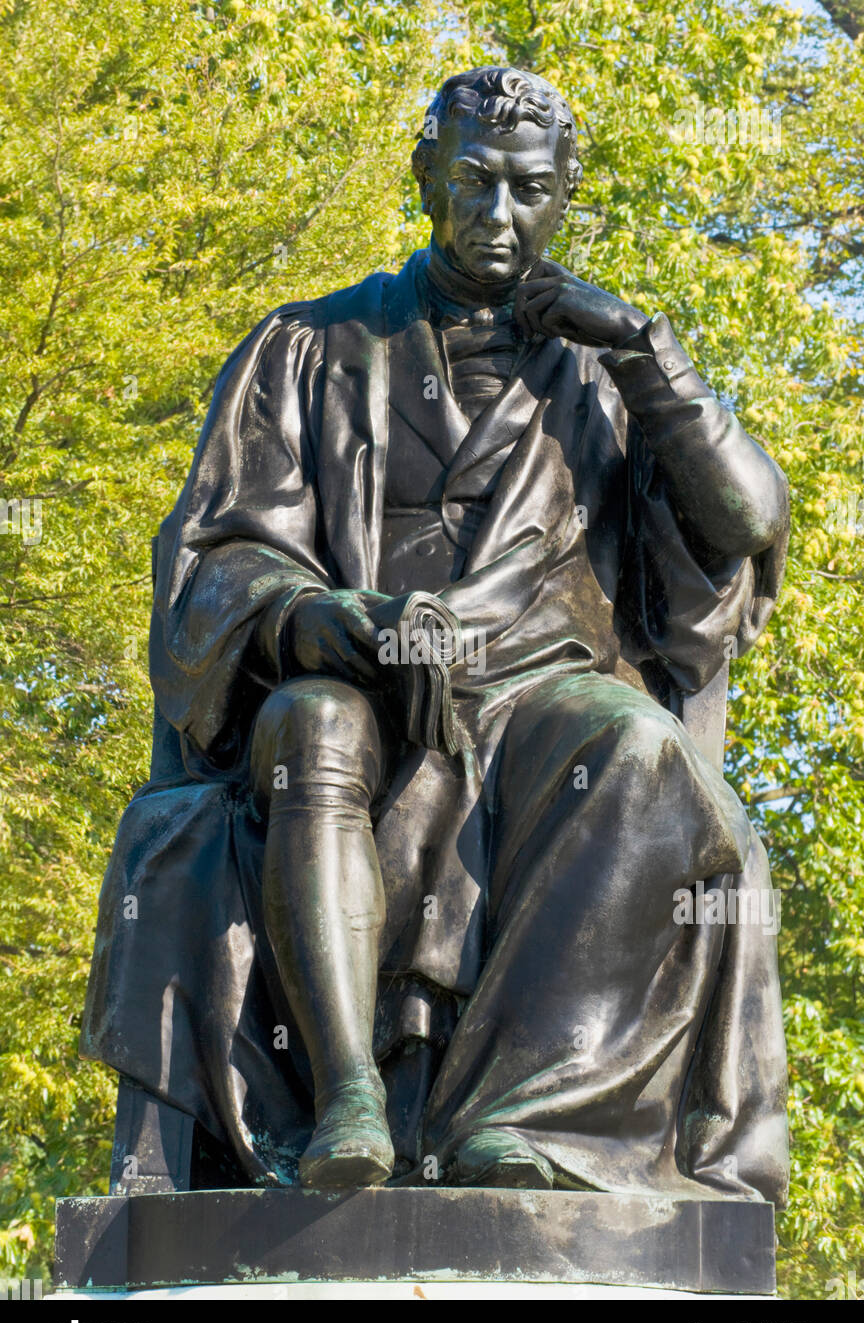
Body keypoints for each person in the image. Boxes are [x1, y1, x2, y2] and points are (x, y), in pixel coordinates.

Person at [82, 67, 790, 1204]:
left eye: (529, 190)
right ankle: (348, 1100)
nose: (499, 217)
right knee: (314, 724)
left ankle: (525, 1116)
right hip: (352, 675)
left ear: (564, 198)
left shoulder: (610, 377)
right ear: (423, 177)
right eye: (472, 182)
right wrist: (326, 621)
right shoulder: (307, 347)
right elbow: (214, 557)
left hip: (539, 690)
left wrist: (648, 348)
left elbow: (744, 521)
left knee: (638, 750)